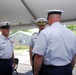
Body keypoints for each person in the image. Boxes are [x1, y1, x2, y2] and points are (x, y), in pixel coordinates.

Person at [32, 9, 76, 75]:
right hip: (67, 69)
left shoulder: (45, 32)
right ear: (60, 19)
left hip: (52, 71)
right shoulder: (71, 33)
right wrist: (69, 69)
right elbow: (74, 56)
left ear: (49, 18)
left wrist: (35, 73)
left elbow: (38, 57)